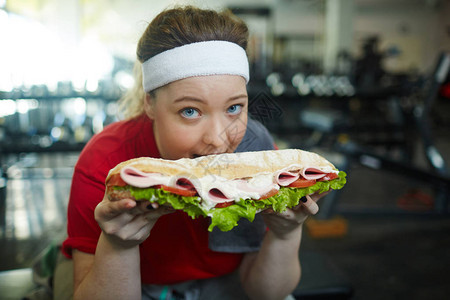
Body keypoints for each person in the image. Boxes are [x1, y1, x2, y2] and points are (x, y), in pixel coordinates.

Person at [56, 6, 329, 300]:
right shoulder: (105, 161)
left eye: (234, 108)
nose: (217, 140)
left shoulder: (256, 147)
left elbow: (266, 293)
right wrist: (117, 245)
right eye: (190, 111)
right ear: (150, 104)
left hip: (227, 282)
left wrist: (285, 234)